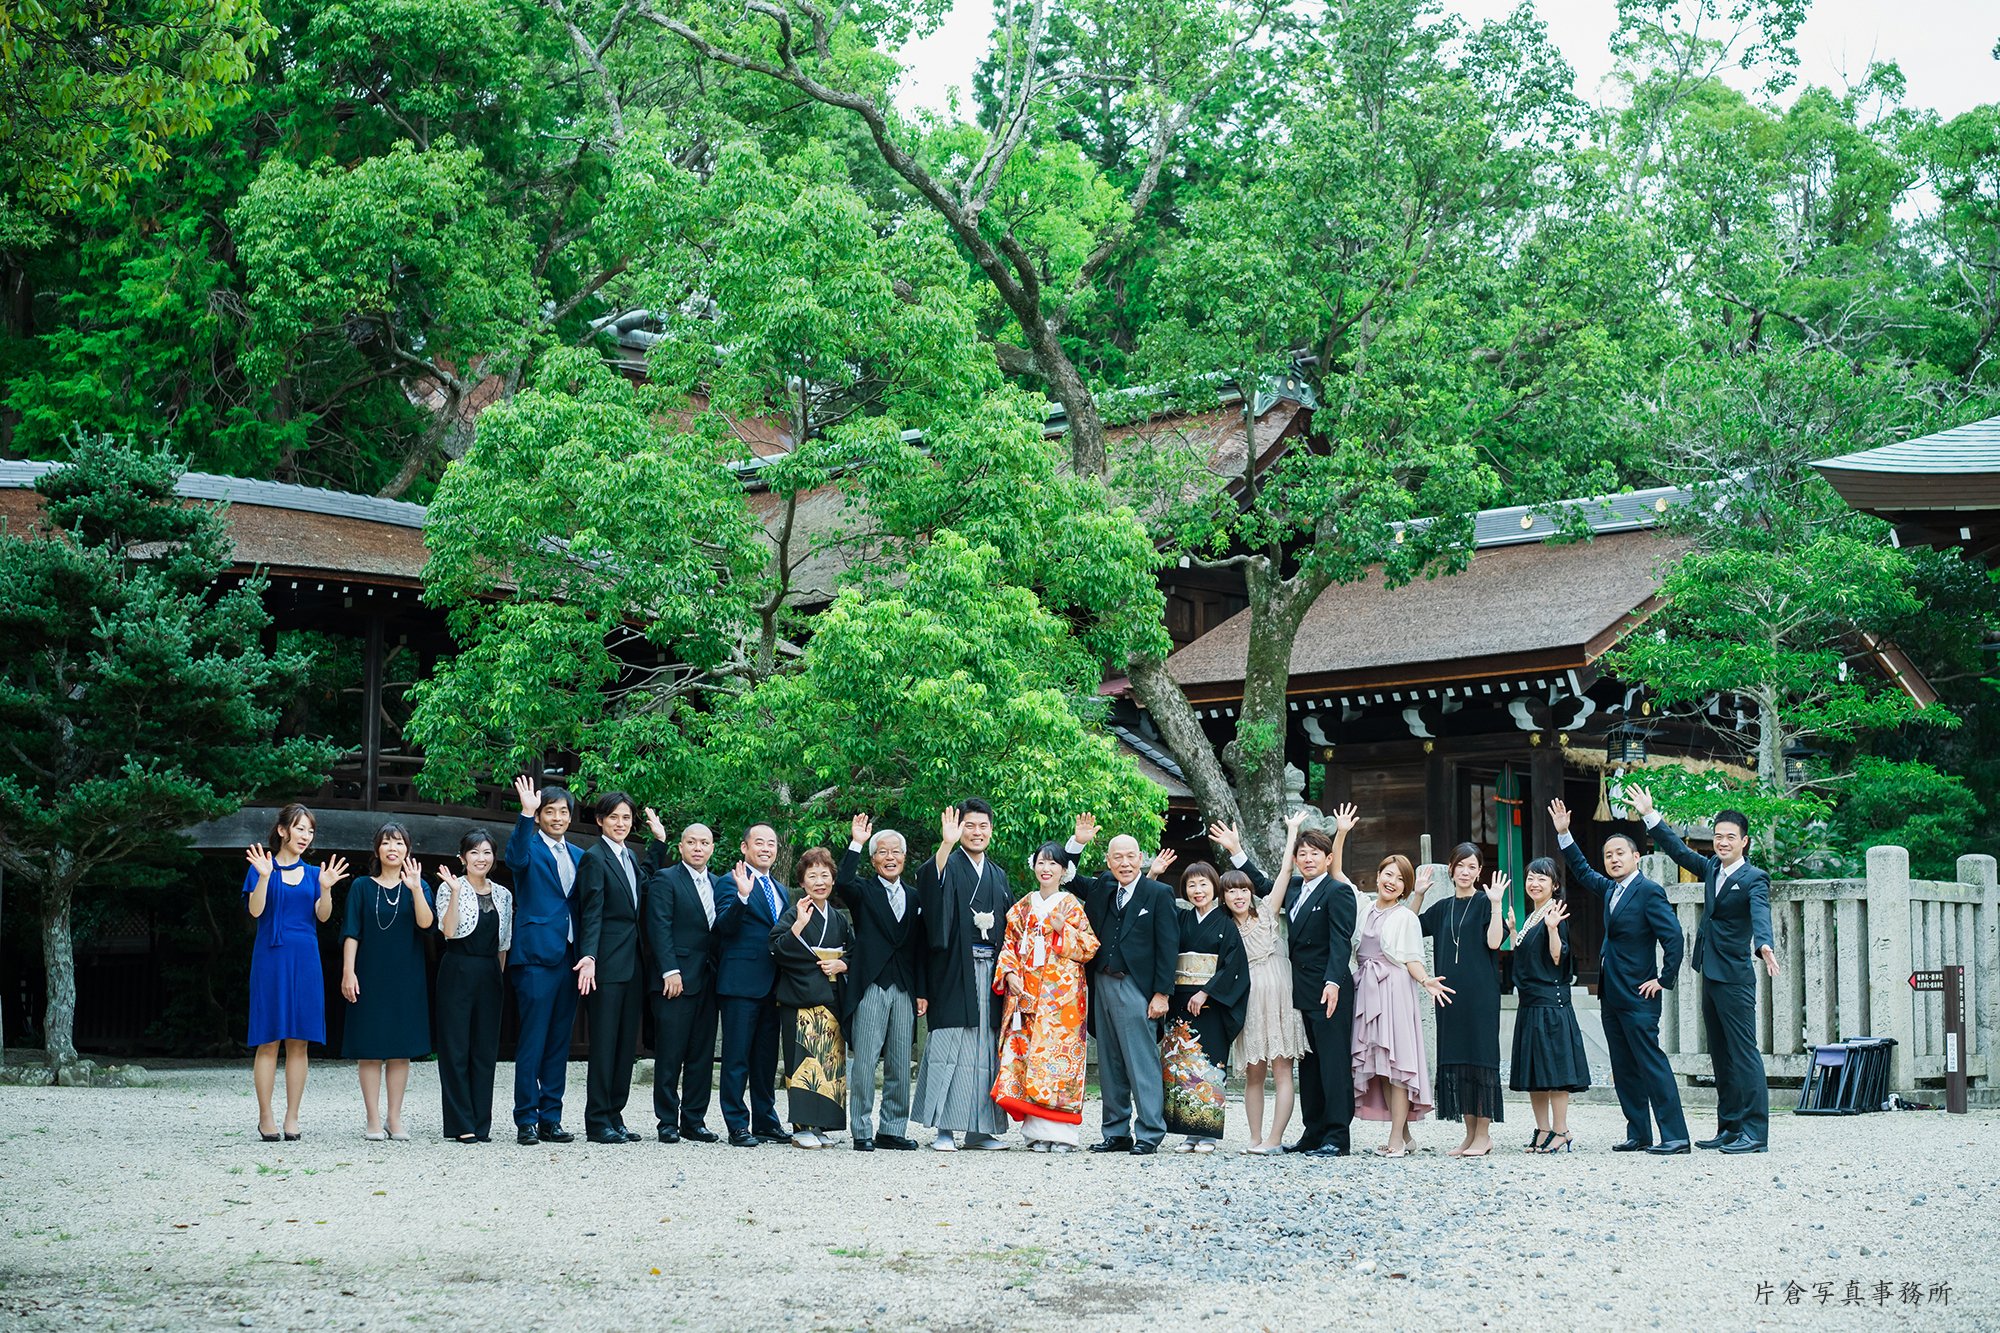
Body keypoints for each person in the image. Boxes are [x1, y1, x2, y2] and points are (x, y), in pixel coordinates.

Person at [1626, 787, 1776, 1155]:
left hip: (1736, 977)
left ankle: (1755, 1132)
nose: (1723, 842)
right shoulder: (1711, 868)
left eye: (1730, 837)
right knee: (1721, 1056)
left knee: (1744, 1054)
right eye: (1718, 836)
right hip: (1709, 971)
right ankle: (1730, 1127)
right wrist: (1650, 814)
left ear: (1744, 841)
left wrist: (1764, 944)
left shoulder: (1754, 877)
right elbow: (1678, 850)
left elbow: (1760, 912)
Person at [1549, 798, 1690, 1156]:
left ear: (1636, 857)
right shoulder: (1612, 889)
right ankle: (1639, 1133)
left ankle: (1675, 1136)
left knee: (1651, 1064)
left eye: (1620, 854)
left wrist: (1664, 979)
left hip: (1640, 994)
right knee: (1624, 1067)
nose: (1613, 859)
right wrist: (1564, 834)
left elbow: (1674, 937)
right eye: (1608, 855)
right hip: (1611, 993)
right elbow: (1583, 872)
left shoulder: (1649, 891)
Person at [1329, 804, 1449, 1157]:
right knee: (1379, 1067)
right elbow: (1335, 871)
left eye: (1399, 878)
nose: (1391, 881)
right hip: (1366, 989)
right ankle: (1405, 1136)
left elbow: (1412, 958)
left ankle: (1396, 1139)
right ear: (1378, 875)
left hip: (1394, 990)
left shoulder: (1405, 917)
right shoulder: (1363, 906)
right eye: (1387, 873)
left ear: (1404, 887)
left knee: (1396, 1066)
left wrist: (1426, 981)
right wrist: (1341, 833)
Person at [1064, 816, 1178, 1156]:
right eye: (1118, 857)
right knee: (1110, 1062)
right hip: (1101, 983)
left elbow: (1168, 946)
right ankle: (1116, 1132)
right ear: (1109, 861)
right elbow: (1066, 876)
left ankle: (1150, 1132)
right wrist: (1077, 843)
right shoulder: (1102, 887)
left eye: (1130, 856)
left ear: (1141, 858)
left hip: (1136, 987)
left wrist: (1161, 994)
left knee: (1141, 1061)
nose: (1125, 863)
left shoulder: (1158, 893)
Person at [912, 799, 1015, 1151]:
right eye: (969, 826)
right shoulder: (949, 863)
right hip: (955, 971)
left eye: (983, 826)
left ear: (991, 830)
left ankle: (979, 1130)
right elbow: (930, 884)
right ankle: (944, 1129)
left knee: (986, 1051)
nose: (976, 832)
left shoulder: (998, 875)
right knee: (949, 1047)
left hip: (992, 973)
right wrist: (946, 845)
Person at [242, 805, 348, 1141]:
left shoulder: (315, 873)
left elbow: (323, 916)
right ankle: (266, 1117)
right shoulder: (261, 867)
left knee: (299, 1041)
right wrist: (263, 876)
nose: (306, 836)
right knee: (268, 1039)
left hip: (305, 957)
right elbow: (255, 910)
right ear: (283, 830)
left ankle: (292, 1116)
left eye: (310, 831)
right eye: (300, 828)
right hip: (271, 957)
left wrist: (326, 888)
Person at [993, 841, 1101, 1152]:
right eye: (1041, 862)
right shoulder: (1022, 906)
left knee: (1059, 1062)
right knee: (1029, 1059)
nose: (1046, 868)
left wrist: (1062, 930)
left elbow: (1090, 946)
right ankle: (1036, 1133)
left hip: (1062, 999)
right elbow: (1009, 944)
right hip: (1026, 993)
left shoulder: (1071, 905)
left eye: (1053, 863)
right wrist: (1010, 974)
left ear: (1064, 870)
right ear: (1034, 866)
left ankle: (1063, 1134)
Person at [1208, 821, 1307, 1155]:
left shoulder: (1267, 913)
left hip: (1280, 997)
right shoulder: (1223, 929)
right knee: (1254, 1074)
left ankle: (1274, 1139)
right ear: (1223, 897)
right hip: (1248, 1001)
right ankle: (1254, 1137)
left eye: (1243, 889)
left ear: (1251, 893)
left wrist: (1292, 832)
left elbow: (1285, 872)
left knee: (1282, 1071)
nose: (1238, 896)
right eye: (1231, 891)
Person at [1264, 818, 1357, 1156]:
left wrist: (1333, 982)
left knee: (1333, 1064)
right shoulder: (1293, 888)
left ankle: (1337, 1136)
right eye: (1302, 853)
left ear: (1328, 859)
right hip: (1301, 989)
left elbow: (1341, 941)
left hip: (1330, 988)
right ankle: (1313, 1133)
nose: (1308, 859)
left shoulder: (1338, 891)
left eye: (1315, 853)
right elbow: (1262, 883)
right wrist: (1236, 851)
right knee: (1310, 1065)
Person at [340, 821, 435, 1141]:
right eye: (386, 842)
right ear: (377, 850)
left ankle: (394, 1118)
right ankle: (372, 1118)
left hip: (406, 976)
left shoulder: (418, 884)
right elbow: (351, 932)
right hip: (368, 974)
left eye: (398, 843)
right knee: (369, 1049)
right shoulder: (361, 887)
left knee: (400, 1050)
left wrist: (416, 888)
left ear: (408, 849)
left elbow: (427, 925)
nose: (392, 848)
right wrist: (348, 971)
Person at [836, 815, 927, 1151]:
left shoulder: (915, 897)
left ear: (904, 857)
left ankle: (892, 1129)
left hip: (904, 987)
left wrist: (922, 992)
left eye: (896, 852)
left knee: (901, 1063)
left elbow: (919, 949)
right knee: (865, 1062)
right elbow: (843, 881)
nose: (890, 857)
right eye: (883, 852)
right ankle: (861, 1130)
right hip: (871, 984)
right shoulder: (863, 890)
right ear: (874, 859)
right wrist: (857, 842)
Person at [1410, 843, 1507, 1156]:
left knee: (1480, 1060)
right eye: (1460, 866)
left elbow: (1495, 942)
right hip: (1449, 996)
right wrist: (1418, 895)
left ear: (1479, 872)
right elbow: (1407, 928)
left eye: (1472, 867)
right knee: (1459, 1062)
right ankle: (1469, 1135)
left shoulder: (1485, 902)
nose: (1465, 872)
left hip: (1481, 996)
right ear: (1451, 870)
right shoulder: (1442, 908)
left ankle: (1484, 1135)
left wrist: (1496, 904)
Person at [505, 775, 585, 1146]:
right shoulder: (529, 846)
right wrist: (525, 813)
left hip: (570, 956)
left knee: (558, 1042)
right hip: (536, 955)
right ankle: (526, 1118)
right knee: (533, 1041)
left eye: (563, 812)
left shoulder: (580, 855)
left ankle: (551, 1118)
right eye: (550, 812)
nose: (557, 818)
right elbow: (514, 857)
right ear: (540, 816)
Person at [642, 813, 724, 1144]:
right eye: (692, 842)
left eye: (704, 843)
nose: (698, 848)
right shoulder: (666, 879)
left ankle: (694, 1120)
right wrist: (670, 970)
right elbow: (659, 926)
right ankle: (666, 1121)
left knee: (702, 1055)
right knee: (670, 1053)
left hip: (709, 979)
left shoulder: (719, 883)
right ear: (681, 847)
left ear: (712, 848)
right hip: (674, 979)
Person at [574, 791, 648, 1144]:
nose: (621, 823)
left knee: (624, 1045)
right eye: (614, 817)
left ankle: (615, 1114)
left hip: (632, 962)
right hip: (605, 962)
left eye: (626, 817)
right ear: (600, 820)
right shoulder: (594, 858)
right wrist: (588, 956)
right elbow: (591, 911)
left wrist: (661, 843)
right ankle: (597, 1120)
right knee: (604, 1044)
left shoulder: (630, 856)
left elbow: (644, 889)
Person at [768, 846, 853, 1148]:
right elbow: (775, 948)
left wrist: (843, 964)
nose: (820, 882)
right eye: (812, 876)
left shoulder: (839, 918)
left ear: (833, 880)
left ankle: (821, 1125)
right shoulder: (795, 912)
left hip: (832, 998)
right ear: (802, 882)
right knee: (803, 1062)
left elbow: (854, 952)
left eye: (825, 875)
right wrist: (799, 926)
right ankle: (801, 1127)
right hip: (800, 997)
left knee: (829, 1063)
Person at [1505, 856, 1590, 1152]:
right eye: (1530, 877)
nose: (1534, 883)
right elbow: (1526, 956)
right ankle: (1542, 1130)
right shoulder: (1532, 916)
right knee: (1535, 1073)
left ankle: (1561, 1130)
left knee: (1555, 1071)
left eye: (1542, 878)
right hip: (1530, 1003)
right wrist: (1513, 930)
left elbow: (1557, 957)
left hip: (1550, 1005)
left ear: (1554, 885)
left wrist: (1553, 929)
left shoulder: (1555, 914)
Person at [433, 829, 512, 1143]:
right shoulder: (450, 886)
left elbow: (503, 944)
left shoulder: (503, 894)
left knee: (484, 1049)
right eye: (474, 852)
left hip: (490, 973)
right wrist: (455, 893)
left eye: (487, 852)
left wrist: (497, 978)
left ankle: (481, 1123)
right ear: (463, 857)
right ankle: (460, 1122)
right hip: (458, 969)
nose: (481, 858)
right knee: (455, 1048)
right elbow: (449, 931)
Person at [714, 823, 791, 1148]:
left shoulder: (781, 889)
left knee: (765, 1060)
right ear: (745, 847)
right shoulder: (729, 881)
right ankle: (737, 1124)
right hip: (740, 983)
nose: (766, 848)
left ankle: (766, 1121)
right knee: (736, 1058)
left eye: (771, 843)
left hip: (774, 984)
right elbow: (723, 927)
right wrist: (742, 897)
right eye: (759, 842)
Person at [1168, 857, 1248, 1153]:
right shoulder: (1181, 919)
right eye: (1191, 885)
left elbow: (1234, 967)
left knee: (1208, 1065)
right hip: (1180, 1001)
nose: (1197, 890)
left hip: (1211, 1004)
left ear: (1215, 888)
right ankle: (1188, 1134)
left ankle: (1208, 1134)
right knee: (1181, 1065)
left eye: (1203, 884)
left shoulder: (1226, 924)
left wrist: (1205, 992)